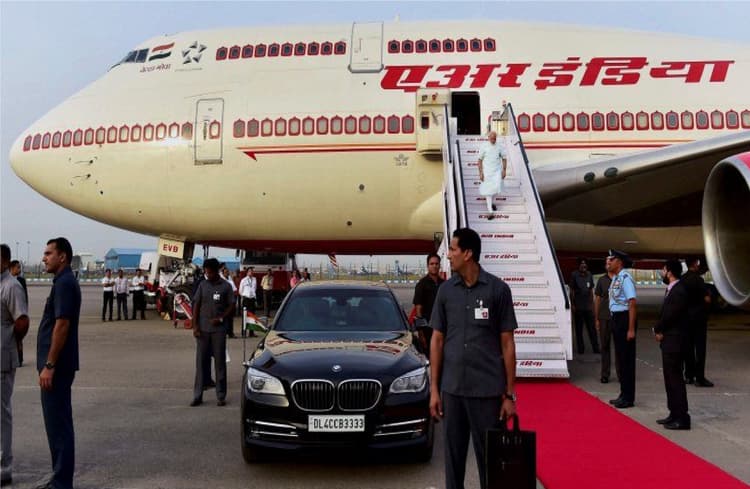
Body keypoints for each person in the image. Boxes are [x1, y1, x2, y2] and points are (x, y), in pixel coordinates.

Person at [430, 228, 518, 489]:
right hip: (453, 391)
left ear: (467, 254)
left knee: (490, 465)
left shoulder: (498, 290)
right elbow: (437, 340)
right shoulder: (445, 291)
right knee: (453, 464)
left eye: (453, 249)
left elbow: (508, 344)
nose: (448, 255)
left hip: (487, 393)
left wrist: (509, 395)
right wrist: (434, 390)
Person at [37, 237, 81, 489]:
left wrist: (50, 365)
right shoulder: (63, 281)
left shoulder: (64, 283)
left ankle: (62, 483)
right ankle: (59, 479)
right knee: (57, 425)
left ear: (62, 256)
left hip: (58, 368)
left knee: (59, 426)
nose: (44, 258)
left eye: (48, 253)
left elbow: (62, 325)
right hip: (59, 366)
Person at [1, 244, 30, 487]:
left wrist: (10, 343)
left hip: (2, 359)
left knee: (1, 414)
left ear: (4, 261)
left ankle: (4, 468)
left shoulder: (11, 286)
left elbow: (22, 321)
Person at [191, 258, 234, 407]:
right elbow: (196, 305)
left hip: (219, 331)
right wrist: (195, 326)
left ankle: (221, 396)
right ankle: (198, 395)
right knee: (201, 363)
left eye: (210, 272)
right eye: (206, 272)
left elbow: (231, 305)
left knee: (220, 363)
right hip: (203, 331)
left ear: (216, 271)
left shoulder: (226, 286)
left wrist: (221, 318)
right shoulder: (203, 285)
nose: (207, 275)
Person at [653, 259, 691, 430]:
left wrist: (657, 328)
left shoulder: (679, 291)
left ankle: (682, 417)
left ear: (669, 272)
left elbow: (671, 315)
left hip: (675, 341)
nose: (662, 273)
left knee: (675, 379)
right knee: (669, 379)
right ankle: (673, 413)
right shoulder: (672, 289)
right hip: (669, 340)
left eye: (663, 269)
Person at [607, 249, 638, 409]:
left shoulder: (625, 278)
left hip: (625, 319)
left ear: (619, 262)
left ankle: (628, 397)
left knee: (627, 360)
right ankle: (623, 393)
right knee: (621, 359)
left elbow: (632, 303)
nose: (609, 262)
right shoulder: (616, 278)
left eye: (611, 260)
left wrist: (631, 329)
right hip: (617, 319)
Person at [681, 258, 713, 387]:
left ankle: (688, 376)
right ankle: (699, 378)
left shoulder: (683, 279)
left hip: (686, 318)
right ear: (695, 264)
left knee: (687, 348)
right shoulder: (698, 280)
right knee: (700, 349)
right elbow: (707, 299)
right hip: (699, 319)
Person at [412, 253, 444, 356]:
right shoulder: (421, 285)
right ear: (428, 266)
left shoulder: (444, 284)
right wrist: (421, 333)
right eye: (432, 264)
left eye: (436, 264)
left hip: (442, 329)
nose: (434, 266)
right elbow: (418, 310)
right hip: (427, 330)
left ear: (439, 265)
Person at [594, 258, 619, 384]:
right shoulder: (601, 280)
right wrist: (596, 318)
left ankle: (621, 374)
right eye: (607, 264)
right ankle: (605, 374)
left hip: (618, 317)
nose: (608, 265)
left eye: (610, 263)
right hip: (604, 317)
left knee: (619, 347)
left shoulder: (620, 279)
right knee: (605, 346)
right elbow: (597, 299)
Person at [570, 258, 599, 354]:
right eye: (582, 264)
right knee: (579, 329)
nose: (584, 265)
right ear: (579, 266)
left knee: (592, 329)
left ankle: (596, 348)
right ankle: (581, 349)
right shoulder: (574, 275)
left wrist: (592, 304)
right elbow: (572, 291)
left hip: (588, 307)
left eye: (585, 264)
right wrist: (572, 304)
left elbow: (591, 290)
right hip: (578, 307)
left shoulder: (589, 275)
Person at [477, 130, 507, 221]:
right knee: (488, 192)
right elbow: (479, 160)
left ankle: (492, 203)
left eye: (495, 138)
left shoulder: (499, 146)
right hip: (487, 172)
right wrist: (481, 173)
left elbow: (504, 158)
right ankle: (490, 212)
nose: (493, 140)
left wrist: (504, 170)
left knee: (496, 189)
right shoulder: (484, 146)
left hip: (497, 172)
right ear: (488, 138)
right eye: (492, 138)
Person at [9, 260, 28, 367]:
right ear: (11, 268)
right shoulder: (6, 280)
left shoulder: (21, 280)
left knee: (18, 337)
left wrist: (25, 311)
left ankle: (20, 359)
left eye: (20, 267)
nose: (19, 269)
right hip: (9, 313)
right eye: (18, 267)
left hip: (19, 313)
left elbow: (25, 297)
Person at [239, 268, 257, 338]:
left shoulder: (254, 279)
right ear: (247, 272)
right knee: (245, 316)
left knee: (252, 316)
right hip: (246, 299)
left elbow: (254, 288)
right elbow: (240, 290)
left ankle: (251, 333)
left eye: (252, 271)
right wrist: (244, 296)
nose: (251, 272)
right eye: (250, 271)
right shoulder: (243, 280)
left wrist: (253, 296)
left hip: (252, 299)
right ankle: (244, 333)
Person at [219, 265, 237, 338]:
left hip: (230, 300)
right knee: (224, 318)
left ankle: (230, 333)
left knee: (230, 318)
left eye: (227, 272)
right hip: (224, 301)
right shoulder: (221, 280)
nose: (227, 273)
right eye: (225, 272)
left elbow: (234, 289)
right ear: (223, 273)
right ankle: (223, 332)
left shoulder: (230, 279)